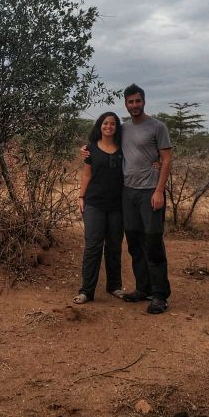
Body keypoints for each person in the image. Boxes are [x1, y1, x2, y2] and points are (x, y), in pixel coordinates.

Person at [81, 84, 173, 314]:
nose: (134, 105)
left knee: (152, 241)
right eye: (130, 102)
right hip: (127, 193)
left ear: (144, 101)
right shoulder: (124, 129)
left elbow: (167, 159)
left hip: (150, 191)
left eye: (137, 101)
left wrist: (160, 190)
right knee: (133, 243)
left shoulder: (157, 127)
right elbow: (104, 143)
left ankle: (159, 295)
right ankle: (143, 288)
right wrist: (86, 150)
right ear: (126, 103)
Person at [73, 112, 127, 304]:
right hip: (94, 203)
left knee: (114, 247)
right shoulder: (90, 149)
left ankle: (114, 286)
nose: (109, 127)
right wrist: (81, 196)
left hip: (118, 205)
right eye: (105, 123)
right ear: (100, 125)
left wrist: (155, 162)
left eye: (113, 124)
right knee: (93, 247)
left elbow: (140, 159)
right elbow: (86, 175)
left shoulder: (124, 149)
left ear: (116, 127)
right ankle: (86, 291)